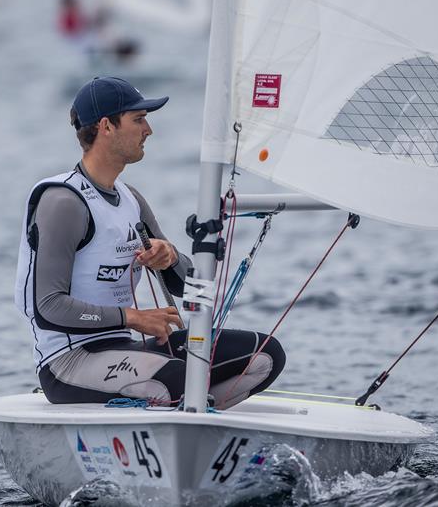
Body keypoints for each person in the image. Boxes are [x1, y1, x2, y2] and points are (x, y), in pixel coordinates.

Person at [15, 77, 285, 409]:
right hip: (70, 362)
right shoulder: (64, 202)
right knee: (172, 377)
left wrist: (171, 258)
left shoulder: (132, 201)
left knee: (265, 355)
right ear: (106, 126)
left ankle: (205, 434)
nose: (149, 130)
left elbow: (192, 289)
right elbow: (47, 308)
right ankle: (181, 418)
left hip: (125, 347)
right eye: (139, 119)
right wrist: (132, 318)